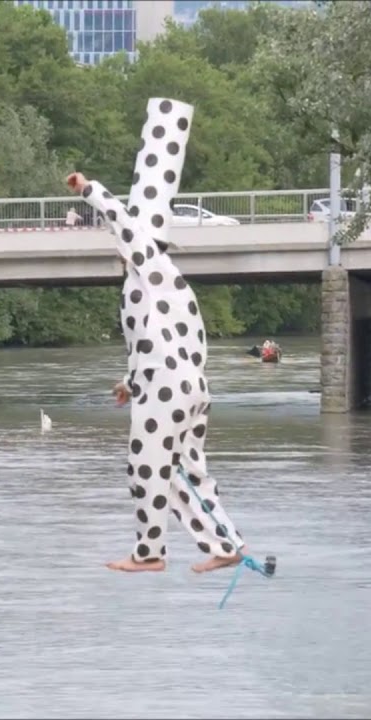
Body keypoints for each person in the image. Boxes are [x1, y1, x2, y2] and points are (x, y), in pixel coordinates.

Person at [68, 97, 247, 575]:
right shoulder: (167, 284)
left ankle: (150, 553)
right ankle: (226, 543)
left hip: (168, 390)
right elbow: (159, 342)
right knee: (185, 470)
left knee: (147, 466)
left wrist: (91, 191)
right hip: (188, 385)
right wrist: (132, 382)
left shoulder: (148, 267)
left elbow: (125, 226)